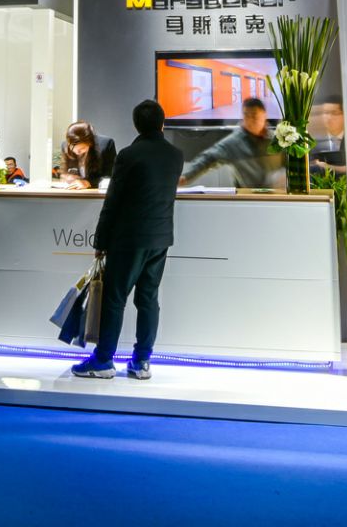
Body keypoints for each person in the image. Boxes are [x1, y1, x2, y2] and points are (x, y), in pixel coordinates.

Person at [72, 101, 182, 380]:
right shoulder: (175, 155)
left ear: (136, 125)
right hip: (161, 238)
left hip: (129, 238)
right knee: (148, 299)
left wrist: (100, 240)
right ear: (162, 123)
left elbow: (113, 201)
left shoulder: (129, 155)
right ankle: (142, 361)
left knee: (114, 299)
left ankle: (103, 360)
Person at [179, 97, 281, 189]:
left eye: (254, 116)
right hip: (248, 198)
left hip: (278, 197)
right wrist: (187, 176)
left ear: (264, 115)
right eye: (246, 115)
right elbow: (209, 157)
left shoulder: (278, 140)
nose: (250, 120)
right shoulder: (234, 143)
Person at [59, 121, 117, 189]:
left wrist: (88, 182)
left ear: (90, 143)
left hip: (97, 191)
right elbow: (64, 170)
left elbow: (111, 175)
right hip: (74, 190)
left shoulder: (105, 145)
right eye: (72, 148)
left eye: (82, 148)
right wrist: (67, 176)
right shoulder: (65, 146)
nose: (77, 152)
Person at [311, 98, 347, 172]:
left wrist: (326, 167)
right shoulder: (315, 142)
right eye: (326, 113)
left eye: (334, 113)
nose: (329, 117)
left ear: (344, 115)